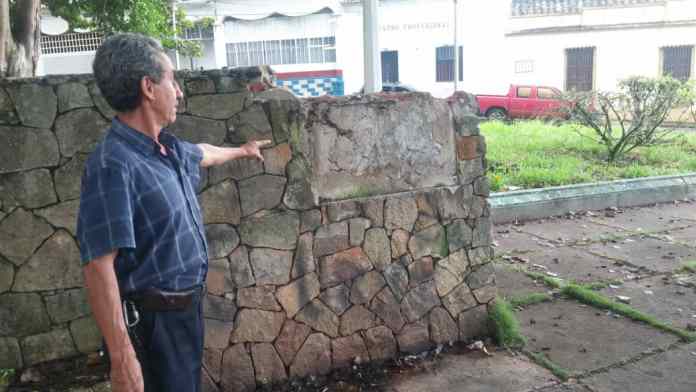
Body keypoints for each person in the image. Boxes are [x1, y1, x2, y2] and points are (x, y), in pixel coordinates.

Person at [76, 33, 269, 392]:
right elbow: (98, 265)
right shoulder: (113, 165)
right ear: (148, 87)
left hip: (182, 315)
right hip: (151, 326)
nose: (179, 91)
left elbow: (205, 152)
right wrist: (122, 357)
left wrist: (243, 150)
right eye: (172, 80)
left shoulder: (166, 148)